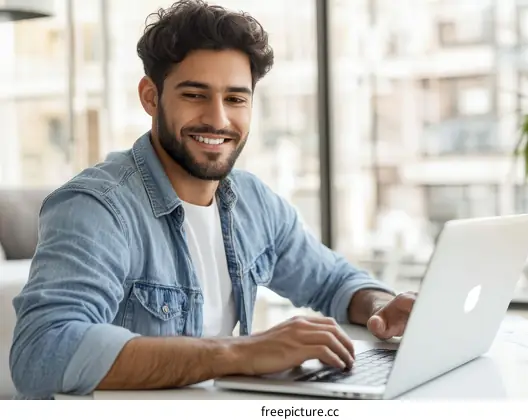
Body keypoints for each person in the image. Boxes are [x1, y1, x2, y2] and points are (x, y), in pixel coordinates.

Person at [9, 0, 416, 399]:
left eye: (236, 98)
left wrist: (383, 307)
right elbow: (42, 352)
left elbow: (333, 281)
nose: (219, 119)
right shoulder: (96, 208)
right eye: (195, 94)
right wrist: (240, 352)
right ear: (151, 97)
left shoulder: (254, 202)